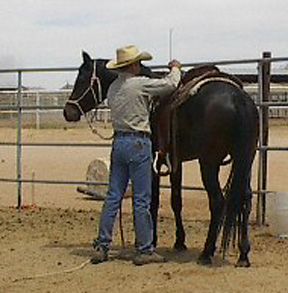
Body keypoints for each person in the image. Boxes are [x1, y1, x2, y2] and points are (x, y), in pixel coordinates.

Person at [91, 45, 181, 265]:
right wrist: (175, 68)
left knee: (113, 196)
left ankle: (102, 245)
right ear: (132, 65)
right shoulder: (140, 85)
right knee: (141, 199)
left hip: (119, 143)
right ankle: (145, 249)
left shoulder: (112, 89)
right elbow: (169, 85)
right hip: (139, 142)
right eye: (138, 62)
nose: (140, 65)